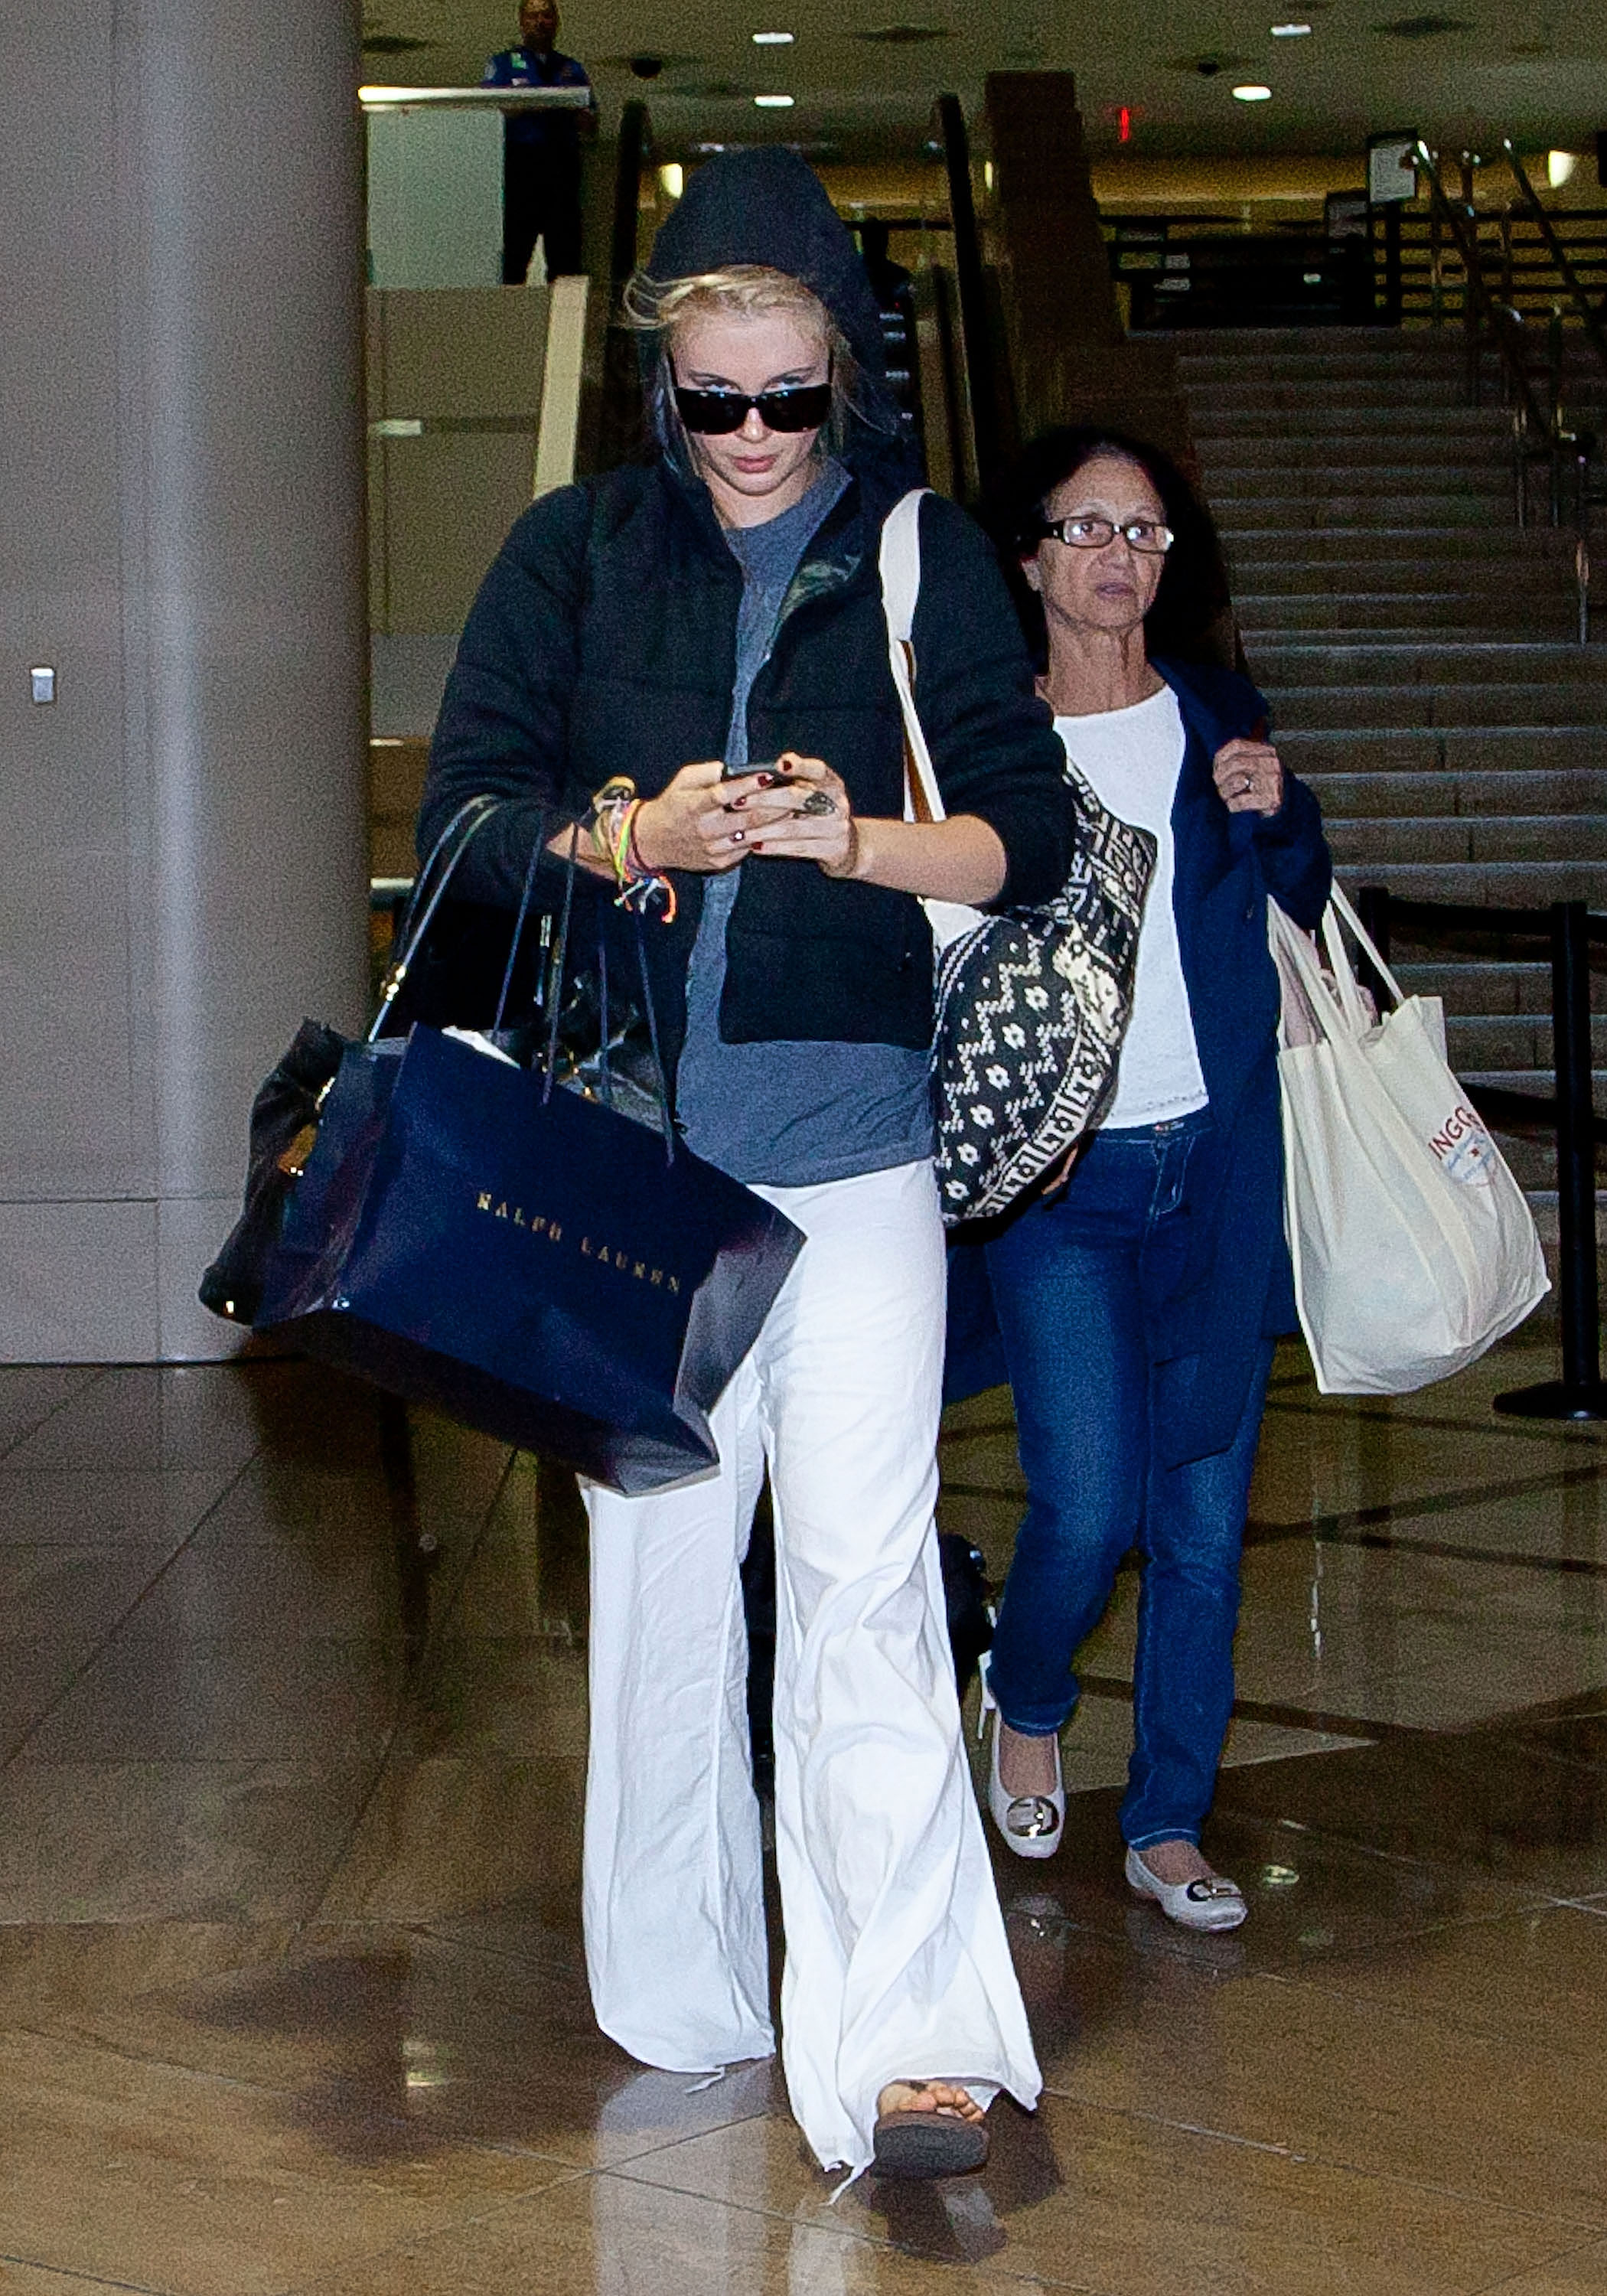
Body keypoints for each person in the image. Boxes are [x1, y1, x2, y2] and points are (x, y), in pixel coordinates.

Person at [420, 148, 1076, 2179]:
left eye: (790, 396)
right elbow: (468, 821)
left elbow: (1022, 843)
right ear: (661, 383)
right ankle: (685, 1992)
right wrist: (638, 835)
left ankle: (907, 2036)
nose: (754, 440)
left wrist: (840, 838)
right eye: (714, 400)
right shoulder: (574, 550)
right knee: (659, 1591)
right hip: (635, 1163)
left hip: (854, 1145)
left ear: (845, 379)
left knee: (864, 1588)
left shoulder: (918, 555)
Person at [955, 426, 1331, 1929]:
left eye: (1149, 531)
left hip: (1216, 1173)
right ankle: (1029, 1685)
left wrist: (1277, 813)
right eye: (1091, 527)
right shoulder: (988, 745)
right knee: (1091, 1501)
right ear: (1034, 559)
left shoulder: (1217, 714)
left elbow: (1297, 897)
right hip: (1066, 1187)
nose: (1123, 555)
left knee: (1201, 1515)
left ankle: (1170, 1819)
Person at [482, 0, 595, 285]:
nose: (540, 22)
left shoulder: (571, 68)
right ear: (522, 21)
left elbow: (590, 120)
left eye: (546, 15)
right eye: (533, 16)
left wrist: (566, 110)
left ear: (556, 22)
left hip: (562, 166)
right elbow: (489, 111)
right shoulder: (503, 64)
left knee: (565, 257)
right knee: (514, 254)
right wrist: (536, 104)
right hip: (521, 165)